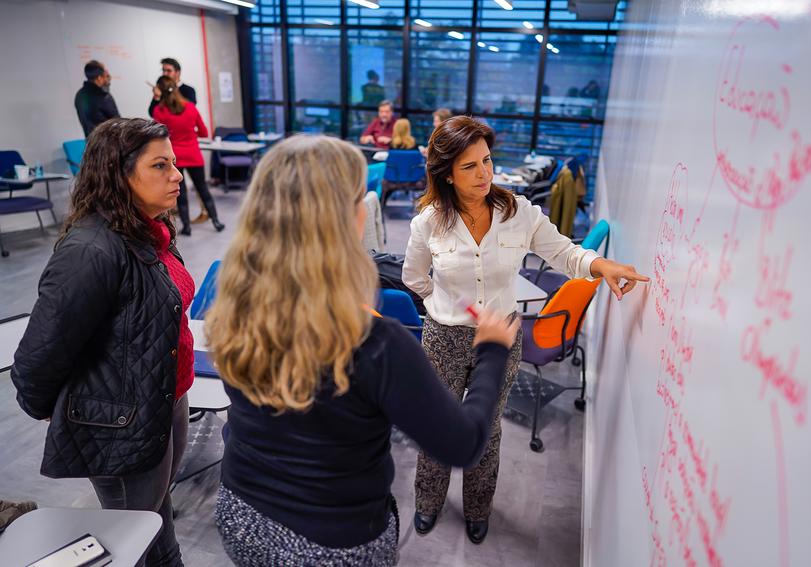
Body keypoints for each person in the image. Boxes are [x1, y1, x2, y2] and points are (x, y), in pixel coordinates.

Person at [206, 135, 520, 565]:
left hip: (241, 513)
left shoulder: (236, 306)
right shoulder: (375, 344)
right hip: (333, 544)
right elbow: (463, 444)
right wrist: (492, 352)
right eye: (360, 198)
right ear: (342, 219)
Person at [402, 116, 649, 544]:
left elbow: (567, 254)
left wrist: (601, 264)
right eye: (470, 167)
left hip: (500, 337)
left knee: (488, 427)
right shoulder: (428, 222)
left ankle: (478, 508)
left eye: (487, 161)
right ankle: (428, 501)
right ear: (445, 173)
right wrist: (443, 306)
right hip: (443, 336)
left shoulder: (518, 213)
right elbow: (414, 277)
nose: (484, 174)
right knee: (436, 423)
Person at [11, 118, 195, 566]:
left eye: (174, 163)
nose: (177, 175)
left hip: (164, 396)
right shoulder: (91, 250)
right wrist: (76, 413)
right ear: (119, 173)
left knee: (155, 519)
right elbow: (39, 355)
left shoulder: (149, 230)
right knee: (138, 534)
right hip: (123, 418)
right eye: (160, 165)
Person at [152, 75, 225, 236]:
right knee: (203, 189)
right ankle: (216, 221)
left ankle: (187, 227)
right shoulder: (191, 107)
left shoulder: (159, 111)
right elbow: (204, 132)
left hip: (175, 157)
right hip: (193, 154)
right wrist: (190, 134)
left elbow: (158, 135)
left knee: (181, 192)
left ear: (160, 92)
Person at [73, 60, 120, 138]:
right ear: (99, 78)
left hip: (92, 144)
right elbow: (118, 122)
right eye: (105, 73)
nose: (108, 75)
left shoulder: (80, 94)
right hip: (108, 145)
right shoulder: (102, 96)